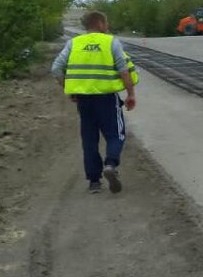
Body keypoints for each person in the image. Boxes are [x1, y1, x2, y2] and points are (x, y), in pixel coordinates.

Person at [51, 11, 138, 194]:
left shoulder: (74, 43)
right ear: (100, 23)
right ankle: (111, 164)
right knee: (116, 134)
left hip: (84, 100)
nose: (107, 26)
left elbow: (56, 68)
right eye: (106, 23)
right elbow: (123, 70)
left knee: (89, 139)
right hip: (107, 98)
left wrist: (70, 89)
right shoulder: (110, 41)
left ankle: (94, 182)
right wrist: (130, 94)